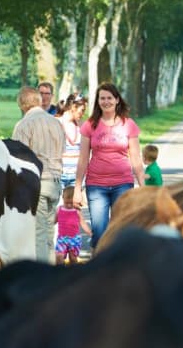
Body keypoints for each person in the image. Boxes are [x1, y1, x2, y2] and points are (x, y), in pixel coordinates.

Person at [73, 82, 145, 250]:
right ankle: (99, 270)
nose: (106, 101)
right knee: (99, 233)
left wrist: (143, 186)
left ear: (117, 100)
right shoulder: (89, 125)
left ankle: (121, 269)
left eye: (109, 98)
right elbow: (83, 158)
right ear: (98, 101)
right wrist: (77, 188)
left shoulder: (129, 124)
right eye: (102, 98)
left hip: (123, 185)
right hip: (96, 186)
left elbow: (135, 157)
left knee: (122, 230)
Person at [12, 86, 66, 262]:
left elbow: (18, 158)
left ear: (22, 104)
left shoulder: (24, 125)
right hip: (56, 181)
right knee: (49, 232)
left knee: (38, 234)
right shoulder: (56, 123)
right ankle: (50, 273)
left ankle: (42, 277)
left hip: (38, 183)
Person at [57, 95, 87, 190]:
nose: (82, 114)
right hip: (59, 176)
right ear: (74, 107)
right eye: (82, 110)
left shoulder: (82, 125)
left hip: (76, 177)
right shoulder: (55, 123)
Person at [54, 186, 91, 265]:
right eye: (66, 203)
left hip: (74, 239)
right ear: (63, 198)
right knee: (59, 258)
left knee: (73, 258)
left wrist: (90, 232)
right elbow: (54, 221)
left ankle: (73, 273)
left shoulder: (77, 211)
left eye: (71, 203)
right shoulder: (59, 209)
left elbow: (83, 223)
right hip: (62, 239)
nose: (69, 205)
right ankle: (59, 273)